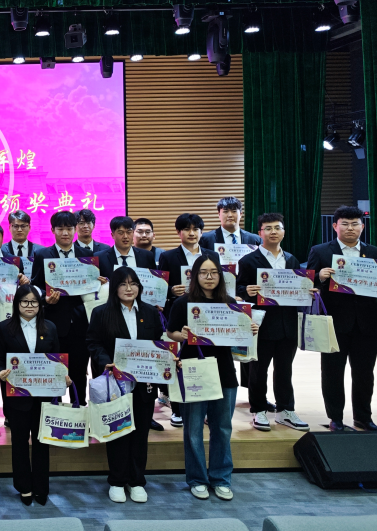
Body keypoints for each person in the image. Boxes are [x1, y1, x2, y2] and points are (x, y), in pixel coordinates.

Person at [168, 256, 259, 501]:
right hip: (194, 370)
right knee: (193, 430)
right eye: (203, 272)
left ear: (221, 276)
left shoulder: (231, 303)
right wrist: (182, 335)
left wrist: (250, 329)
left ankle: (221, 478)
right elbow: (170, 332)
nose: (209, 277)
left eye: (214, 272)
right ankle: (197, 479)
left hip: (224, 372)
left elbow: (239, 339)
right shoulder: (183, 302)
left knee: (222, 428)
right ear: (194, 276)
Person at [86, 267, 163, 504]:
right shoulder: (101, 312)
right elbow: (93, 342)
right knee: (117, 432)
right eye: (123, 284)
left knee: (140, 433)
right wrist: (104, 361)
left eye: (133, 284)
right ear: (114, 288)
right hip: (115, 383)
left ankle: (137, 481)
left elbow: (158, 343)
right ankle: (117, 481)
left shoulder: (150, 312)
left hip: (144, 383)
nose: (129, 289)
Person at [235, 213, 311, 432]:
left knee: (285, 369)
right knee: (258, 370)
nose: (273, 232)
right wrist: (246, 291)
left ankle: (285, 410)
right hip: (261, 324)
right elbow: (237, 289)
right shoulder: (248, 261)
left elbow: (298, 289)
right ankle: (258, 409)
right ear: (260, 233)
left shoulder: (292, 259)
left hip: (288, 325)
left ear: (284, 232)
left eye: (277, 227)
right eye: (268, 228)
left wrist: (308, 291)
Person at [0, 283, 66, 505]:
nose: (29, 306)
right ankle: (24, 486)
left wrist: (63, 376)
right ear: (16, 304)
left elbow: (57, 360)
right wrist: (0, 372)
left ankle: (41, 487)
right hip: (17, 397)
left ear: (40, 304)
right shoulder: (5, 328)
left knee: (41, 441)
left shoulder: (50, 327)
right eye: (24, 301)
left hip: (44, 396)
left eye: (34, 302)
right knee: (19, 442)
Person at [307, 205, 377, 432]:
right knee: (332, 373)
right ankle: (335, 417)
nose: (350, 228)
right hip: (334, 323)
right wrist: (319, 276)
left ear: (362, 227)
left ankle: (363, 417)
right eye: (345, 224)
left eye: (355, 223)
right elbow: (306, 284)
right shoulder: (320, 251)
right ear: (335, 226)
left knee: (365, 373)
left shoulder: (373, 252)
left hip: (367, 324)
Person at [157, 213, 220, 428]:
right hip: (179, 314)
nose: (192, 233)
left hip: (207, 317)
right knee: (178, 362)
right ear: (179, 232)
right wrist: (170, 290)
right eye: (186, 229)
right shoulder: (168, 256)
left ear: (202, 232)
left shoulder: (212, 255)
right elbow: (160, 287)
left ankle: (207, 407)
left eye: (196, 229)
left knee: (207, 361)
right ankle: (177, 409)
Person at [31, 211, 97, 402]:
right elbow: (36, 286)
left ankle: (79, 406)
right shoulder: (42, 254)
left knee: (79, 371)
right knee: (55, 370)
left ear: (75, 229)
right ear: (53, 230)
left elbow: (92, 287)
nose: (65, 233)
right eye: (60, 229)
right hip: (53, 322)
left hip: (81, 323)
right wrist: (45, 299)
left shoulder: (87, 255)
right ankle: (55, 409)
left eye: (69, 228)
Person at [199, 197, 263, 250]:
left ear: (241, 214)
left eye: (234, 211)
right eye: (225, 211)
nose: (230, 215)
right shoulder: (205, 239)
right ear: (219, 214)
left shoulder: (255, 240)